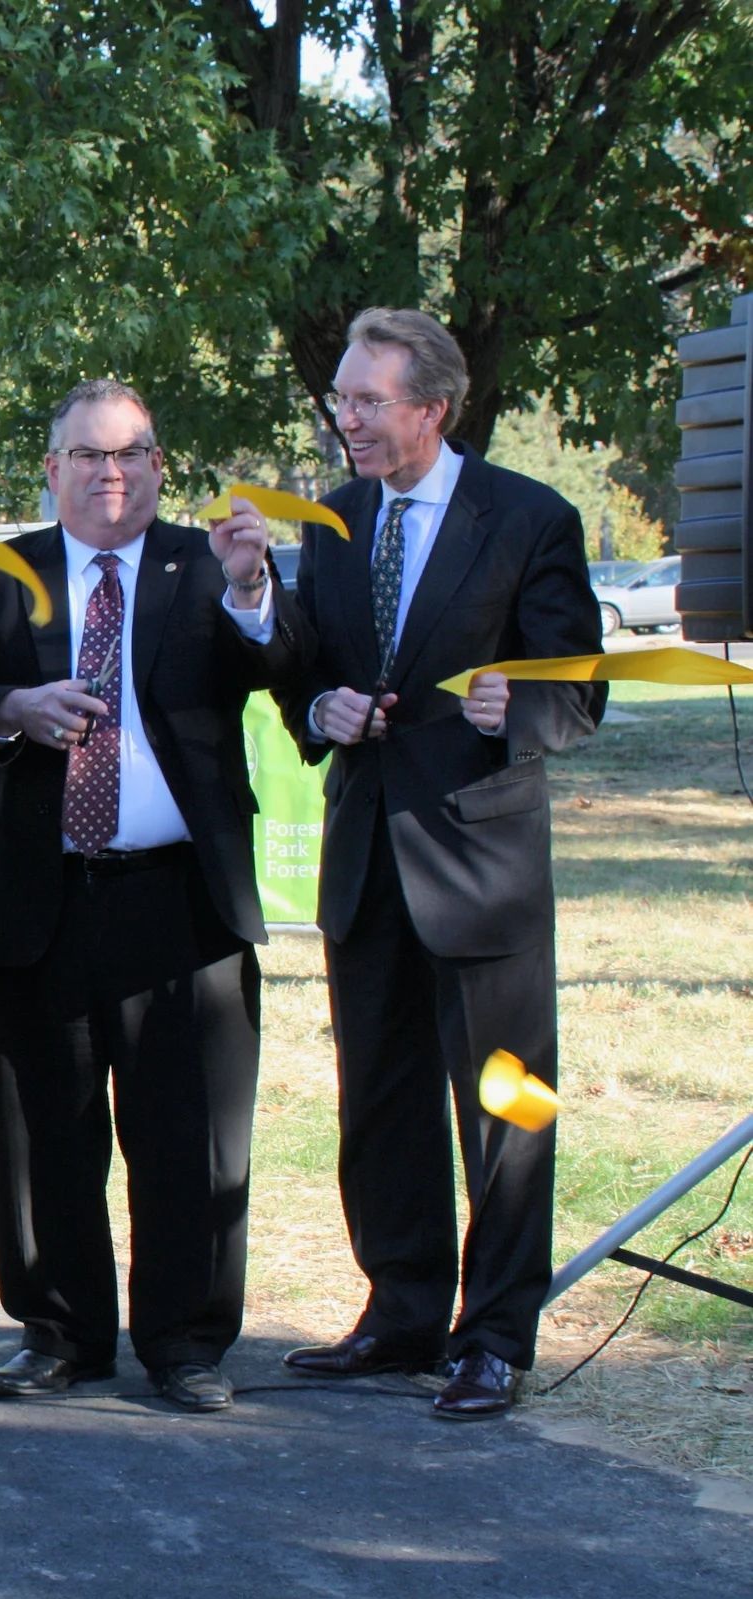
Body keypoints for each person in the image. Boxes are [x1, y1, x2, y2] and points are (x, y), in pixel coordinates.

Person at [0, 380, 314, 1414]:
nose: (111, 473)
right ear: (49, 470)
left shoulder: (210, 565)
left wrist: (248, 591)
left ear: (157, 465)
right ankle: (60, 1332)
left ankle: (185, 1341)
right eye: (87, 456)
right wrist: (10, 706)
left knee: (187, 1130)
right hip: (41, 893)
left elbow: (279, 665)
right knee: (41, 1127)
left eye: (131, 453)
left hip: (179, 897)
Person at [274, 309, 602, 1419]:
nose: (346, 416)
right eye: (342, 398)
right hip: (367, 858)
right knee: (382, 1098)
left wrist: (530, 700)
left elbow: (581, 688)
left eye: (366, 400)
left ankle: (496, 1335)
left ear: (432, 407)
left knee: (507, 1108)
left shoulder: (528, 517)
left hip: (482, 863)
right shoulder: (330, 522)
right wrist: (319, 704)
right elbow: (302, 676)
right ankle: (401, 1312)